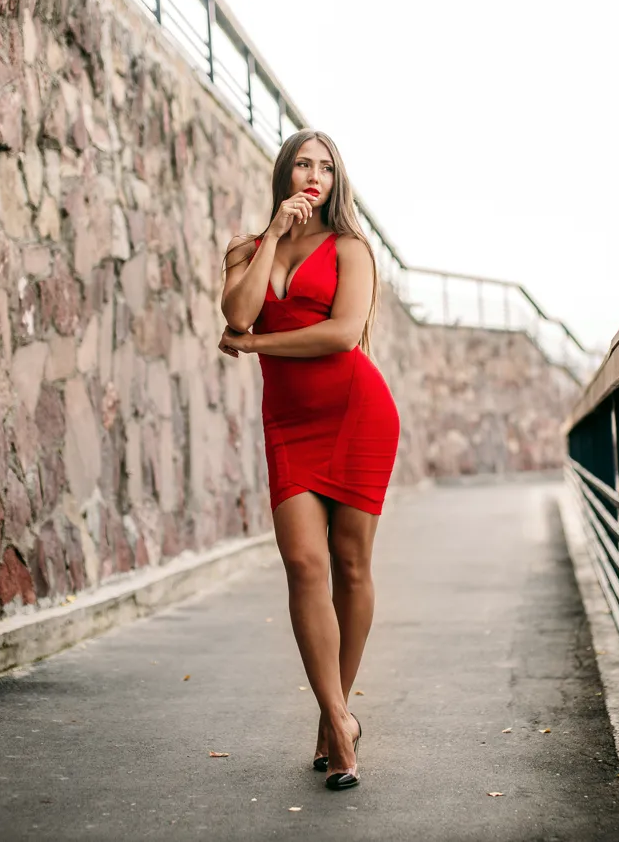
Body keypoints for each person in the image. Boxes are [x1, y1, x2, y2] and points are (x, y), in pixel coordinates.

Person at [218, 130, 400, 792]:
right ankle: (340, 715)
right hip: (289, 424)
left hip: (356, 413)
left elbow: (342, 333)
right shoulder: (248, 248)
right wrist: (272, 234)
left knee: (350, 566)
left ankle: (334, 722)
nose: (314, 174)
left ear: (337, 177)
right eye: (303, 163)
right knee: (303, 563)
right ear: (285, 172)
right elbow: (235, 309)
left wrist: (259, 341)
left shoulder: (352, 249)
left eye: (325, 165)